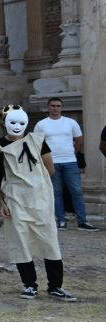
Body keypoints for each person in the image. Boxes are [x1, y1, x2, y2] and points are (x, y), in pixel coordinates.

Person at [0, 106, 78, 302]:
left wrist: (35, 184)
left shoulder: (37, 141)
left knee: (49, 241)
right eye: (13, 122)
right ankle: (29, 285)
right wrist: (1, 201)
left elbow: (49, 169)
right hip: (15, 200)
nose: (17, 126)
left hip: (40, 198)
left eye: (20, 123)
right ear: (5, 123)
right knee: (21, 243)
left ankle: (55, 286)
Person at [34, 97, 97, 231]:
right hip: (51, 162)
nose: (55, 108)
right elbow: (37, 143)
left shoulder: (70, 123)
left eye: (58, 106)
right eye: (53, 106)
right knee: (56, 192)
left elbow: (79, 140)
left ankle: (82, 221)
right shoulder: (41, 124)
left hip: (70, 161)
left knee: (77, 191)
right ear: (48, 107)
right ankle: (61, 220)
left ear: (62, 108)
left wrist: (72, 152)